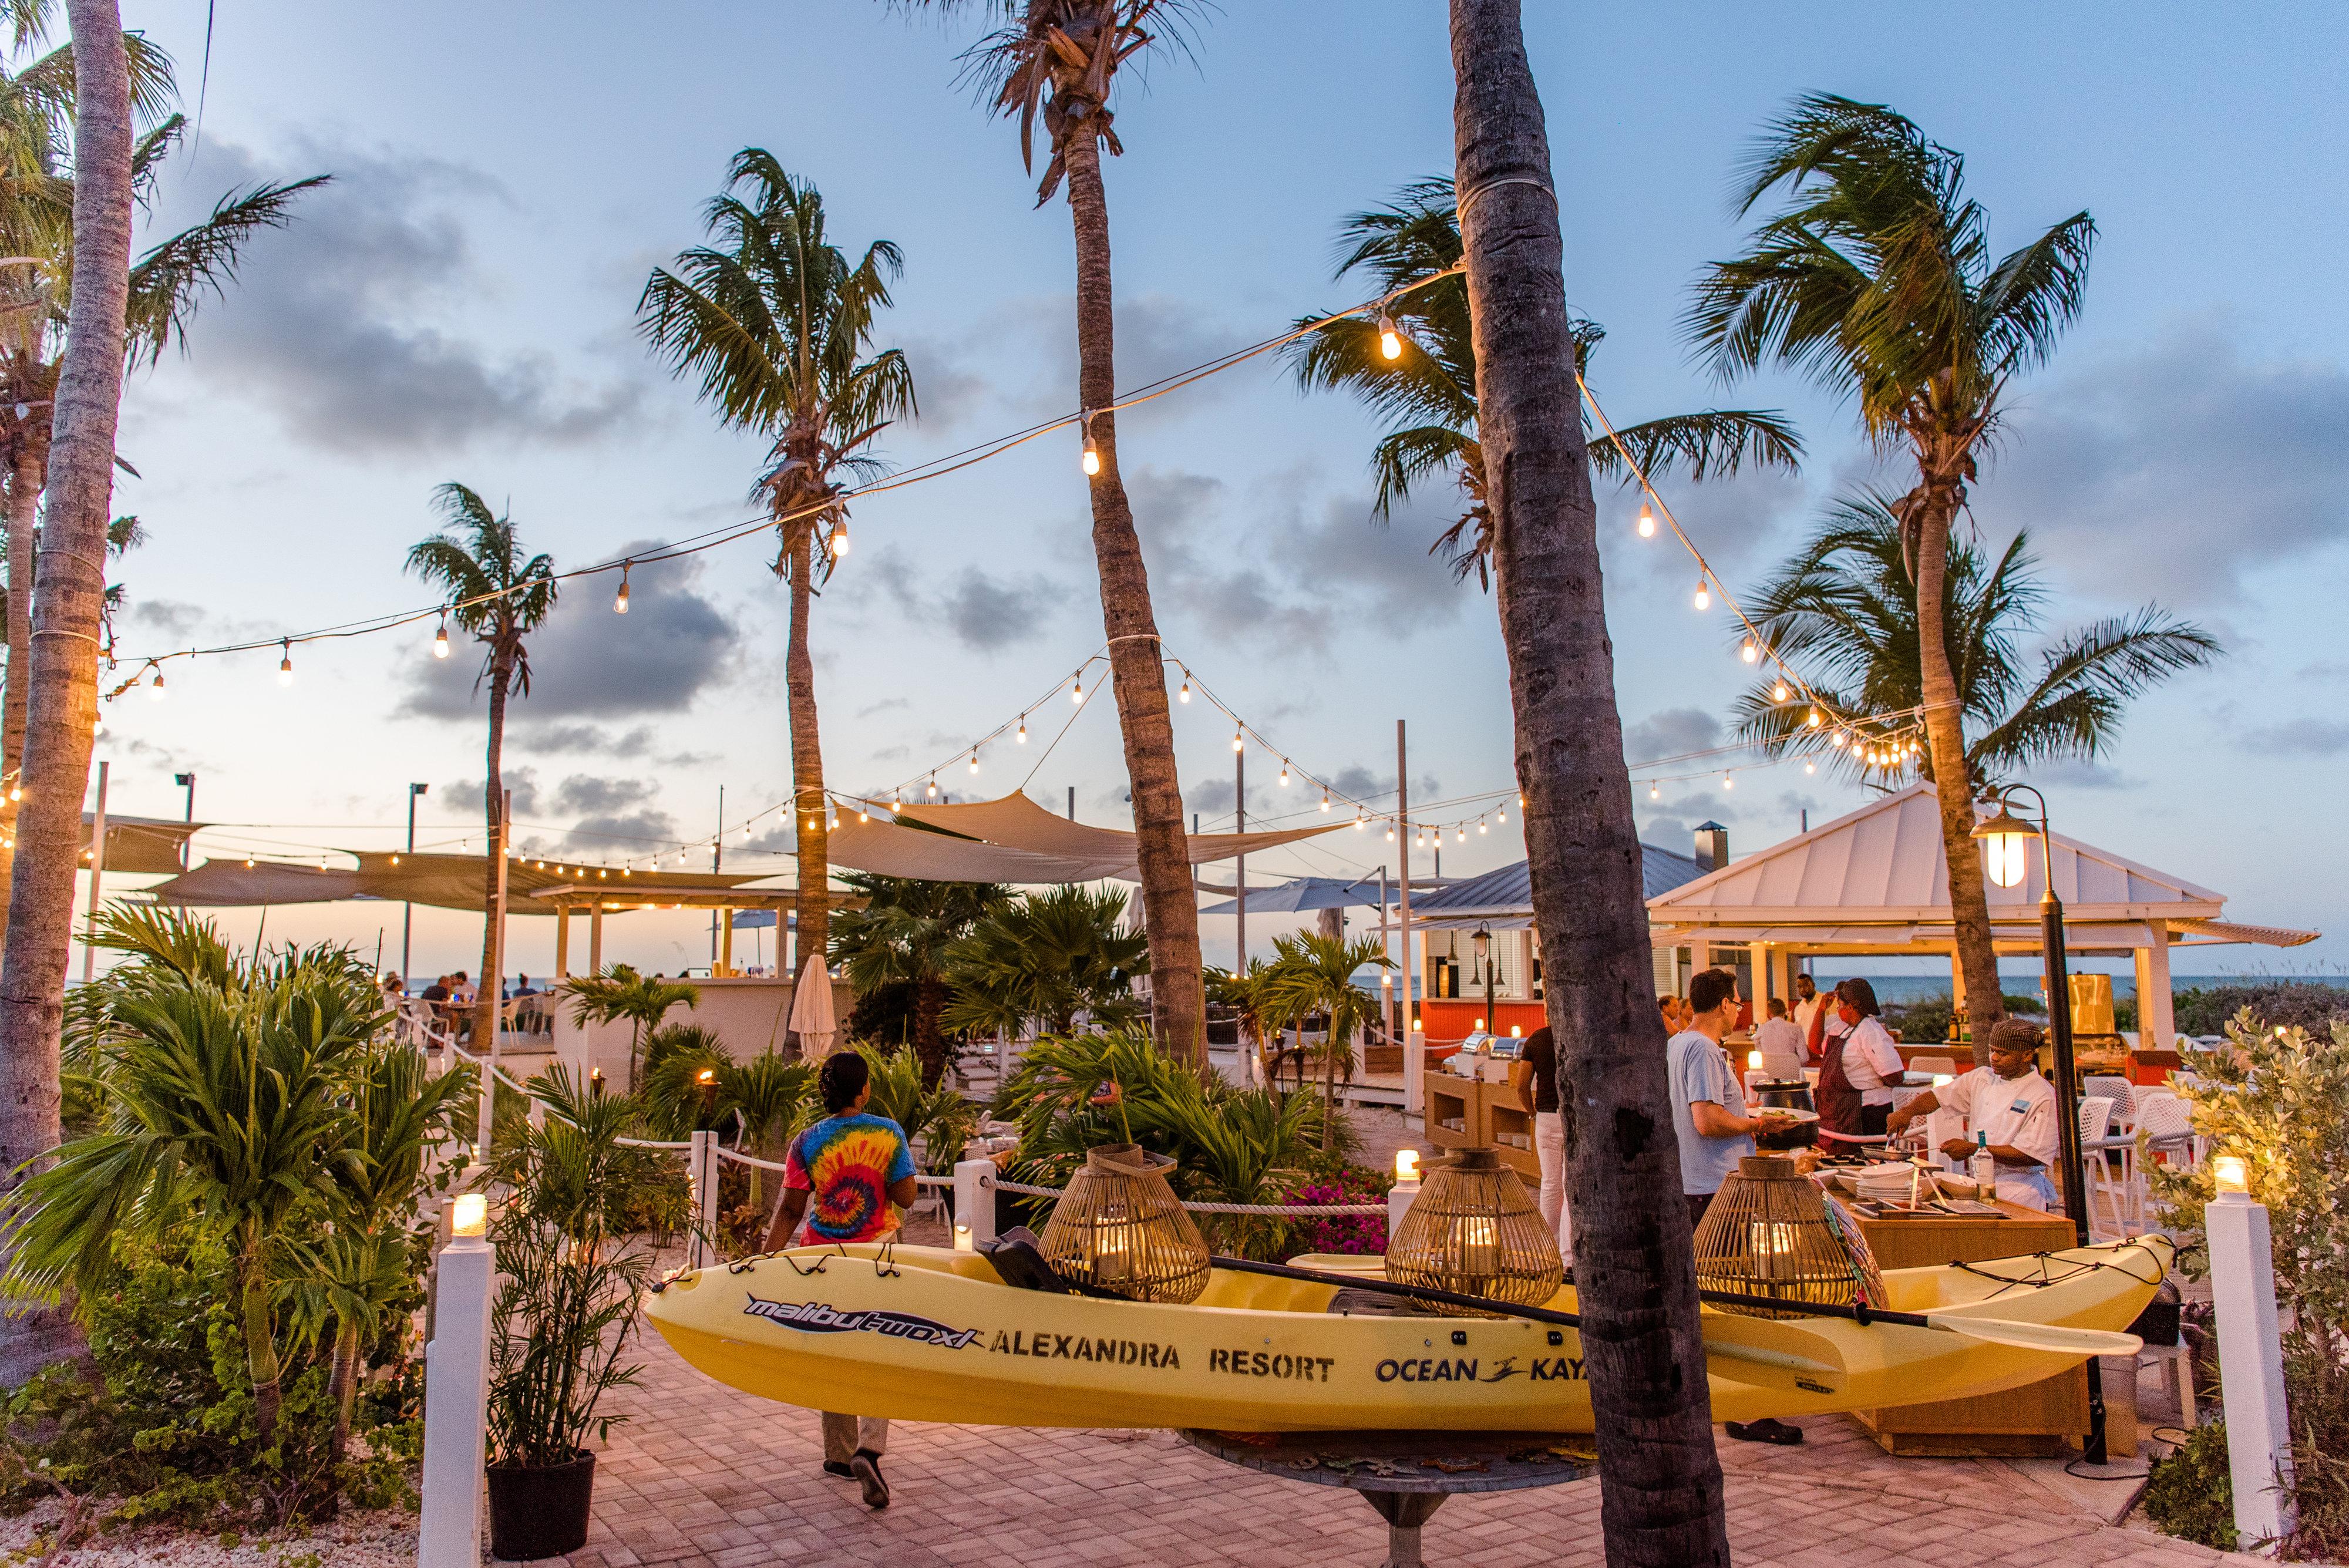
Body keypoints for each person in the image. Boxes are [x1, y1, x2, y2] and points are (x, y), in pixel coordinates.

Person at [763, 1052, 918, 1510]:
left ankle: (837, 1454)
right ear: (864, 1089)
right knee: (878, 1346)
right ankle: (869, 1449)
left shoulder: (806, 1140)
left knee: (833, 1345)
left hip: (821, 1255)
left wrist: (762, 1261)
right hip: (878, 1254)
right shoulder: (887, 1132)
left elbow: (791, 1208)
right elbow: (907, 1197)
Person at [1886, 1019, 2061, 1210]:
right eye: (1992, 1050)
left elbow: (2030, 1155)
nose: (1994, 1057)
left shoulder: (2041, 1094)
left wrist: (1973, 1149)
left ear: (2027, 1055)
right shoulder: (1982, 1078)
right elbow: (1939, 1097)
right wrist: (1908, 1111)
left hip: (2019, 1190)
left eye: (2003, 1054)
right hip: (1979, 1183)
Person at [1667, 967, 1792, 1230]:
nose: (1738, 1011)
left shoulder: (1677, 1043)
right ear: (1724, 1005)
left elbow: (1693, 1107)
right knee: (1726, 1268)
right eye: (1737, 1004)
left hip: (1693, 1182)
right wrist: (1758, 1125)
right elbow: (1707, 1121)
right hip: (1716, 1186)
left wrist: (1741, 1110)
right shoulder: (1704, 1049)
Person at [1508, 1025, 1573, 1266]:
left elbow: (1522, 1084)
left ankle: (1548, 1250)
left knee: (1550, 1183)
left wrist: (1531, 1112)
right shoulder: (1576, 1031)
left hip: (1546, 1115)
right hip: (1575, 1115)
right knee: (1570, 1186)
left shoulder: (1537, 1038)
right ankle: (1568, 1256)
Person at [1816, 978, 1904, 1142]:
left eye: (1840, 1005)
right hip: (1839, 1115)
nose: (1838, 1010)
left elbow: (1894, 1076)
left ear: (1851, 1007)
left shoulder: (1871, 1032)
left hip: (1865, 1115)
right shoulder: (1842, 1030)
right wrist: (1821, 1010)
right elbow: (1815, 1046)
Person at [1752, 997, 1806, 1080]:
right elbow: (1804, 1058)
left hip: (1768, 1073)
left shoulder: (1762, 1029)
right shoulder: (1796, 1028)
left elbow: (1759, 1054)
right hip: (1792, 1074)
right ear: (1785, 1010)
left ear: (1769, 1012)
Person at [1790, 973, 1826, 1045]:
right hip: (1805, 1049)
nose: (1803, 989)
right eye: (1800, 987)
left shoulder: (1825, 1001)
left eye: (1806, 985)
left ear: (1813, 985)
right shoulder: (1798, 1008)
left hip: (1823, 1048)